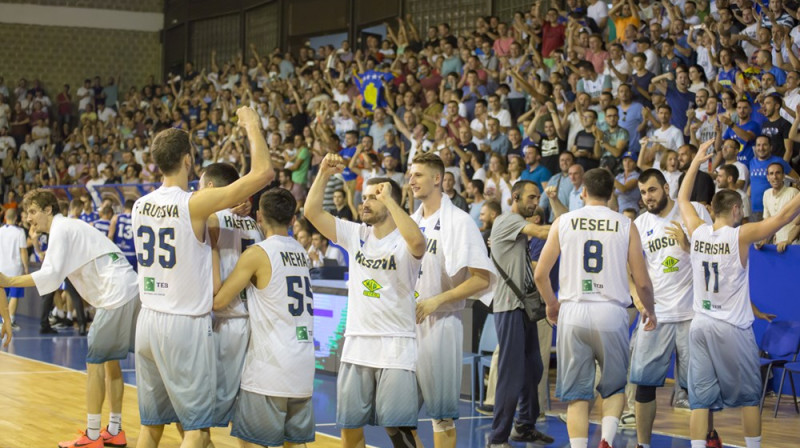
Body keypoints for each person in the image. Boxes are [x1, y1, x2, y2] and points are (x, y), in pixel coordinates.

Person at [132, 106, 273, 448]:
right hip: (184, 324)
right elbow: (263, 173)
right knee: (196, 431)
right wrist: (252, 124)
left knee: (152, 426)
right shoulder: (194, 205)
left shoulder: (138, 205)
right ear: (188, 161)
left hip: (148, 321)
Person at [677, 140, 800, 448]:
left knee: (700, 400)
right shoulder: (740, 235)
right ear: (735, 210)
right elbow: (782, 218)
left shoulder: (697, 231)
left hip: (701, 324)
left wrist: (694, 163)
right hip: (733, 326)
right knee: (749, 396)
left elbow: (681, 198)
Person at [0, 189, 140, 448]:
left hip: (115, 294)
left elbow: (51, 276)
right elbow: (55, 268)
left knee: (95, 363)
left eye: (32, 212)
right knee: (110, 364)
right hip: (129, 288)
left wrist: (8, 281)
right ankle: (115, 430)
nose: (29, 218)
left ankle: (94, 435)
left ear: (48, 210)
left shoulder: (62, 228)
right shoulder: (65, 229)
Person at [305, 153, 425, 448]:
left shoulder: (404, 239)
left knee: (400, 431)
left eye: (376, 196)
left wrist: (392, 200)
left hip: (395, 344)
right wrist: (323, 173)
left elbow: (419, 244)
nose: (366, 201)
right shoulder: (356, 233)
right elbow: (311, 212)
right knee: (349, 429)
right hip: (357, 344)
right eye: (366, 196)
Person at [534, 168, 657, 448]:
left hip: (573, 311)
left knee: (577, 395)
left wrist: (552, 305)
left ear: (583, 192)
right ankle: (606, 440)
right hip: (611, 312)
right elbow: (642, 281)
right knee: (613, 387)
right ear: (612, 193)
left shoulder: (563, 221)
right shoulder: (626, 224)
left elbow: (540, 274)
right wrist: (648, 309)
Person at [213, 188, 316, 448]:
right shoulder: (302, 253)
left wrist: (212, 248)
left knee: (250, 443)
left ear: (259, 217)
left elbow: (220, 301)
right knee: (295, 443)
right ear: (293, 220)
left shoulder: (257, 254)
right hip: (303, 365)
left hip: (269, 368)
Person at [407, 153, 495, 448]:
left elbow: (482, 278)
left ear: (436, 178)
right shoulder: (411, 221)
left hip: (441, 323)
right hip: (408, 326)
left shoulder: (459, 221)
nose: (411, 180)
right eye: (410, 174)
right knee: (397, 418)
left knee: (440, 417)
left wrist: (436, 300)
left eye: (418, 174)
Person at [630, 169, 713, 448]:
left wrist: (688, 246)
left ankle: (708, 439)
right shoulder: (639, 224)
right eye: (643, 192)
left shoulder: (693, 210)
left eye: (652, 190)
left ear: (667, 188)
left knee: (699, 386)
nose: (647, 197)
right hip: (657, 314)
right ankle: (643, 444)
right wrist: (638, 298)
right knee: (644, 384)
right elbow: (627, 268)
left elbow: (714, 256)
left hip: (692, 313)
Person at [487, 180, 554, 447]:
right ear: (514, 196)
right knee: (511, 374)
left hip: (522, 306)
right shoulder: (507, 221)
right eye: (530, 197)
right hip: (508, 306)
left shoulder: (516, 227)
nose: (535, 202)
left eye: (537, 198)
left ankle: (524, 426)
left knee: (534, 369)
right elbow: (541, 232)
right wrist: (572, 226)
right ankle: (497, 437)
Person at [200, 162, 264, 432]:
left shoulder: (214, 218)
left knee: (209, 407)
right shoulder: (251, 223)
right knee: (248, 408)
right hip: (256, 321)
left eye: (201, 187)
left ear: (211, 188)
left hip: (231, 318)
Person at [0, 208, 28, 330]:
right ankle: (10, 320)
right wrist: (26, 267)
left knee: (2, 295)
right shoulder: (20, 232)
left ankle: (2, 321)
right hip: (15, 269)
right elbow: (23, 251)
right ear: (16, 218)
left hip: (1, 267)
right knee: (14, 295)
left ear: (5, 217)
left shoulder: (0, 231)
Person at [108, 200, 137, 271]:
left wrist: (113, 255)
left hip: (119, 254)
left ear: (124, 208)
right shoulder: (136, 218)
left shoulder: (116, 217)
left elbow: (110, 236)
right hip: (132, 254)